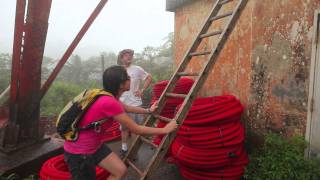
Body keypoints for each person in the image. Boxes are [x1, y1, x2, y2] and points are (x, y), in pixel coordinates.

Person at [63, 65, 177, 180]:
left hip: (95, 146)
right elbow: (136, 129)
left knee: (120, 171)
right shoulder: (109, 102)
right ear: (121, 85)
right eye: (128, 77)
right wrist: (165, 129)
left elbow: (127, 108)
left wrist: (148, 110)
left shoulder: (107, 96)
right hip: (79, 152)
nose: (130, 79)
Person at [117, 49, 153, 157]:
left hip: (136, 104)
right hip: (123, 104)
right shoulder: (118, 70)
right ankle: (124, 148)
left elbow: (149, 77)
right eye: (126, 55)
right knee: (124, 128)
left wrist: (142, 90)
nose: (129, 57)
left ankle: (133, 151)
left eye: (130, 55)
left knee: (135, 129)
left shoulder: (137, 69)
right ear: (121, 57)